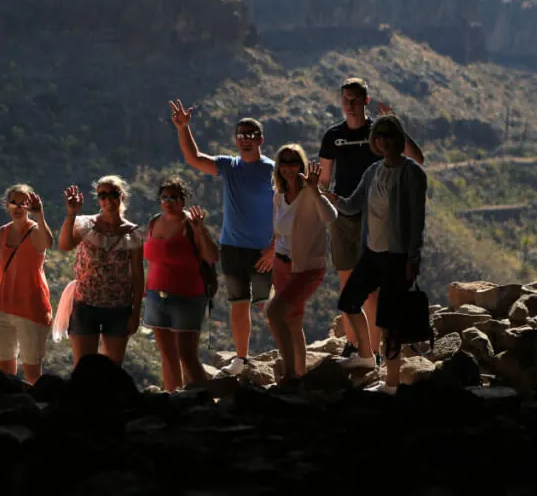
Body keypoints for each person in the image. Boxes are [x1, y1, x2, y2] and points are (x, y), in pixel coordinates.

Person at [317, 78, 424, 364]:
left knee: (372, 289)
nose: (350, 105)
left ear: (366, 100)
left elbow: (416, 158)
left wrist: (395, 125)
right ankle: (354, 346)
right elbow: (324, 180)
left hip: (375, 219)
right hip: (342, 215)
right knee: (346, 282)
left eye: (355, 100)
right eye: (345, 100)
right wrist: (321, 204)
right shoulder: (333, 136)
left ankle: (374, 351)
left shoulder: (379, 132)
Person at [170, 99, 275, 377]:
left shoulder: (272, 170)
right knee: (238, 303)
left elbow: (287, 210)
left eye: (251, 135)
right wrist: (183, 128)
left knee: (270, 305)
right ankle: (241, 358)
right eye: (241, 135)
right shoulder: (229, 166)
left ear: (261, 139)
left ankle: (289, 356)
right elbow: (194, 158)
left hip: (264, 251)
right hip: (232, 247)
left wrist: (274, 248)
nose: (246, 140)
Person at [264, 146, 338, 384]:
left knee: (274, 312)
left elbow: (330, 216)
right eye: (283, 162)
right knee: (293, 321)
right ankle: (300, 376)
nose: (288, 167)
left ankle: (289, 374)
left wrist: (315, 190)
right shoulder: (279, 195)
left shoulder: (310, 192)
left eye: (293, 161)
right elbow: (279, 231)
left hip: (306, 268)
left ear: (302, 164)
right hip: (282, 265)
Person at [58, 175, 144, 367]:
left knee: (112, 369)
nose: (108, 200)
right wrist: (71, 213)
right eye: (102, 195)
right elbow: (65, 245)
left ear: (121, 196)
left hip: (119, 307)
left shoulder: (133, 234)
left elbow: (138, 275)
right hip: (85, 304)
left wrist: (136, 312)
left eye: (113, 194)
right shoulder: (85, 225)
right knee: (83, 367)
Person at [143, 176, 219, 392]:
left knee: (187, 355)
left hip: (187, 297)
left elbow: (213, 256)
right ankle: (173, 400)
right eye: (164, 197)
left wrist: (200, 230)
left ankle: (206, 401)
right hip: (156, 296)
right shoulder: (154, 222)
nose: (168, 202)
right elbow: (152, 260)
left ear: (183, 201)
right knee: (167, 356)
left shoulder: (190, 225)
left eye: (174, 198)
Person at [0, 184, 55, 384]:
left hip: (30, 308)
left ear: (29, 206)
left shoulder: (35, 231)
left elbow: (48, 243)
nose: (17, 207)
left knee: (32, 374)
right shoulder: (2, 233)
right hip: (2, 308)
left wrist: (39, 215)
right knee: (4, 373)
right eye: (13, 202)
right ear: (7, 204)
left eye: (23, 203)